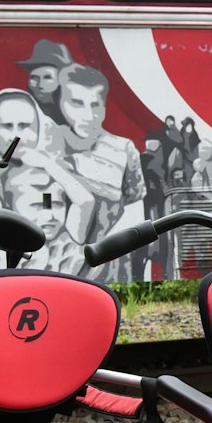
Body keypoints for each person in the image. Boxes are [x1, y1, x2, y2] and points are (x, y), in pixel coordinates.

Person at [54, 62, 146, 283]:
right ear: (61, 102)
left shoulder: (123, 149)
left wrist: (100, 255)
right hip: (58, 262)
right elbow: (45, 204)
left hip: (110, 268)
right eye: (77, 103)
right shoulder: (50, 146)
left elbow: (135, 211)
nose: (89, 115)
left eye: (95, 104)